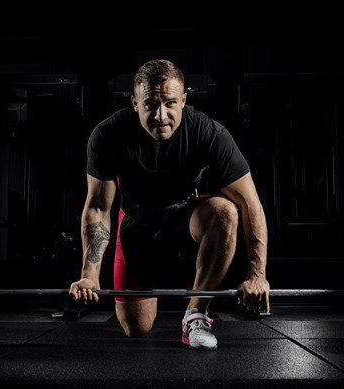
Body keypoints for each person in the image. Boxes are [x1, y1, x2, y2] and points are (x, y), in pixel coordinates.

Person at [69, 59, 270, 350]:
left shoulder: (208, 133)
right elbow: (99, 207)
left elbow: (250, 204)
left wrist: (257, 275)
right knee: (136, 329)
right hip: (135, 229)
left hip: (184, 223)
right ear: (135, 103)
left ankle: (196, 315)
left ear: (184, 100)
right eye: (151, 104)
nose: (161, 116)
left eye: (171, 103)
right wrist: (89, 275)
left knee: (226, 211)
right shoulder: (108, 135)